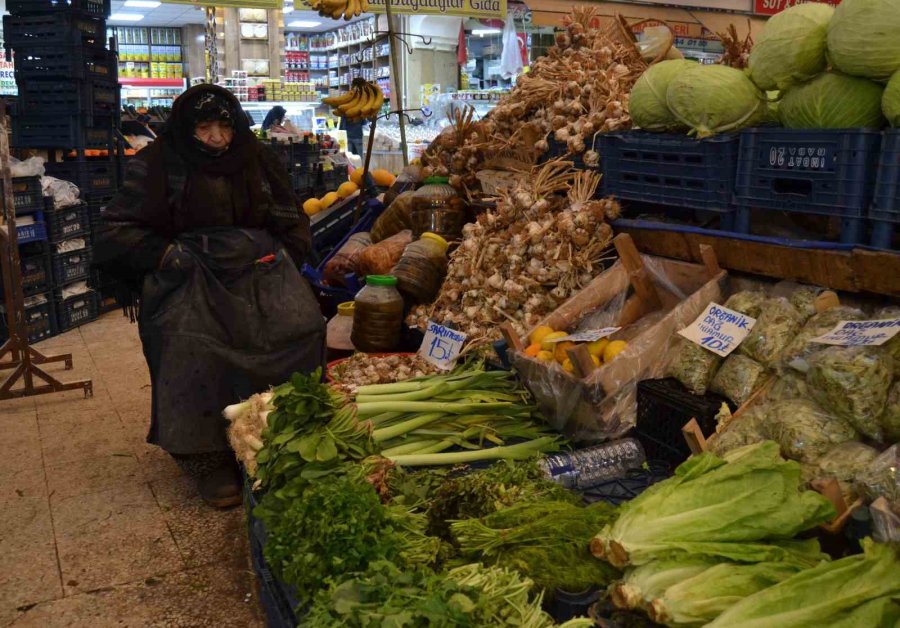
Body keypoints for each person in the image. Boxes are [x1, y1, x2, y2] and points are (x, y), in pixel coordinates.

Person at [95, 84, 326, 508]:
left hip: (258, 270)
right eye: (205, 128)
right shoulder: (157, 164)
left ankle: (281, 434)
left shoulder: (256, 159)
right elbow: (115, 230)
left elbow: (291, 218)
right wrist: (166, 255)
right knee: (190, 346)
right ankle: (207, 458)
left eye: (225, 126)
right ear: (187, 129)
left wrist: (281, 257)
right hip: (190, 276)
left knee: (304, 327)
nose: (217, 138)